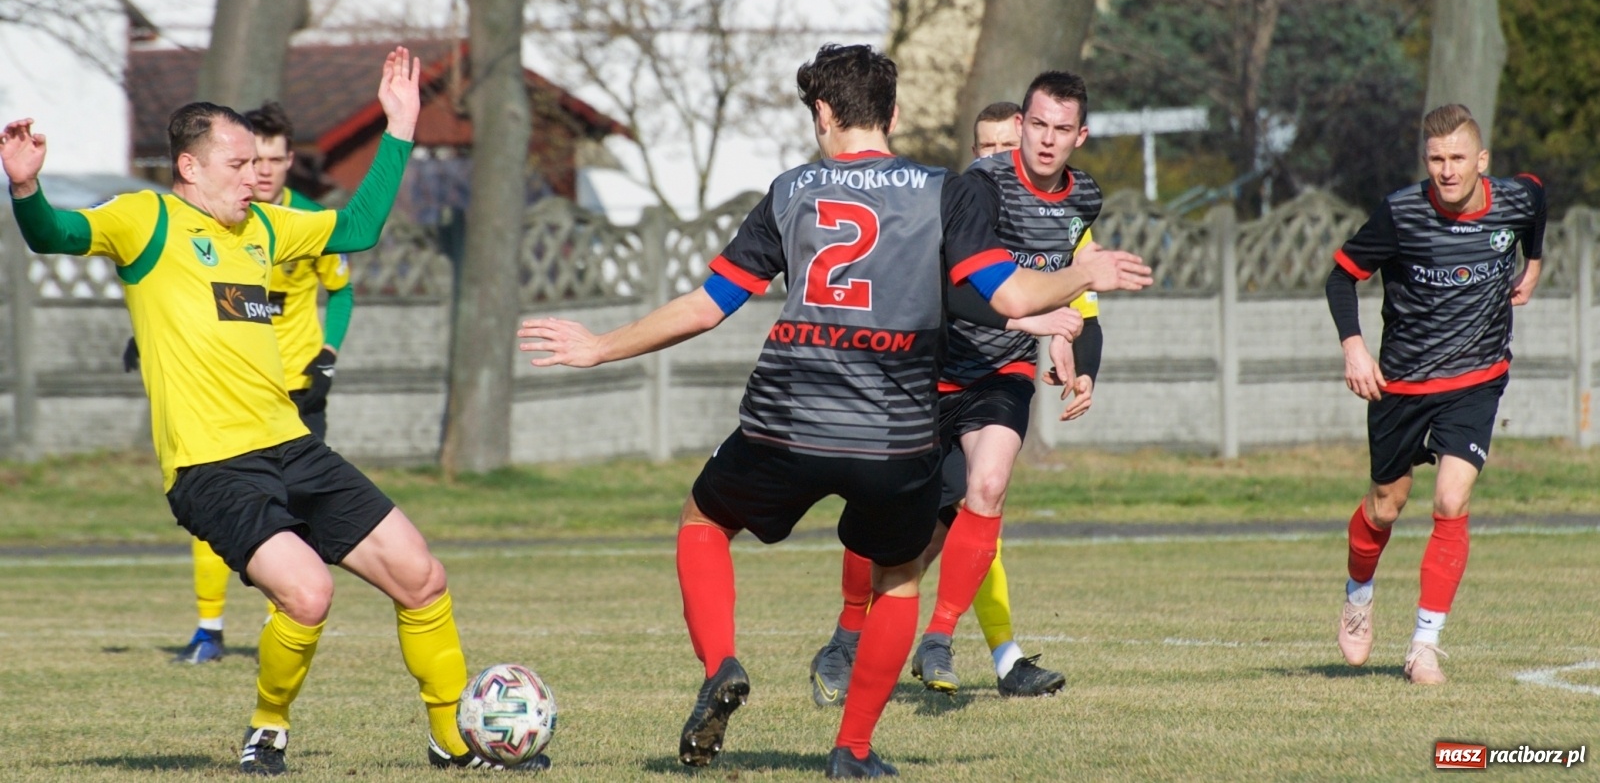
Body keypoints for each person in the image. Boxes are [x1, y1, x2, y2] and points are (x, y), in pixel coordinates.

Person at [519, 44, 1151, 778]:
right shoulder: (945, 191)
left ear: (823, 113)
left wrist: (599, 347)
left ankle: (721, 662)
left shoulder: (789, 191)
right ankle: (851, 750)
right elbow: (1010, 298)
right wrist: (1084, 273)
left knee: (703, 522)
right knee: (901, 578)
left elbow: (705, 307)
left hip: (785, 417)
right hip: (893, 434)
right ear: (895, 113)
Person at [2, 49, 532, 775]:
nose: (255, 176)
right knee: (309, 594)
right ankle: (269, 726)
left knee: (422, 576)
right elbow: (53, 235)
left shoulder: (268, 227)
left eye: (259, 162)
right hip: (211, 467)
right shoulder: (144, 220)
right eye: (237, 163)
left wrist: (401, 127)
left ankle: (453, 742)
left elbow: (359, 228)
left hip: (292, 444)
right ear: (190, 168)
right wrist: (26, 187)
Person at [809, 90, 1104, 706]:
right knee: (898, 522)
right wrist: (1028, 320)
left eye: (1059, 129)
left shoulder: (1079, 201)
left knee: (986, 490)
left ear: (1078, 134)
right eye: (996, 146)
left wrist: (1080, 361)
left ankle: (947, 640)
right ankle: (847, 637)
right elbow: (953, 291)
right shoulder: (967, 195)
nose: (1026, 148)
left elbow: (1080, 299)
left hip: (1001, 377)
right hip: (927, 372)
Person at [1325, 103, 1545, 685]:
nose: (1446, 171)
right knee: (1385, 505)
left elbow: (1537, 202)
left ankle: (1424, 645)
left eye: (1457, 158)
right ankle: (1358, 593)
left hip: (1475, 379)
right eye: (1436, 159)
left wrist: (1536, 263)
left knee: (1451, 500)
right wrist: (1354, 347)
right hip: (1400, 383)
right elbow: (1341, 274)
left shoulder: (1516, 201)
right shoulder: (1401, 213)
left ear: (1481, 160)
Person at [173, 101, 355, 665]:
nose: (264, 171)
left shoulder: (302, 223)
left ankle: (289, 617)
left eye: (275, 159)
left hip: (296, 391)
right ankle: (209, 628)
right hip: (228, 396)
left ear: (288, 160)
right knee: (228, 510)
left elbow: (342, 290)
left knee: (296, 514)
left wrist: (327, 355)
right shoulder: (212, 224)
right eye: (254, 159)